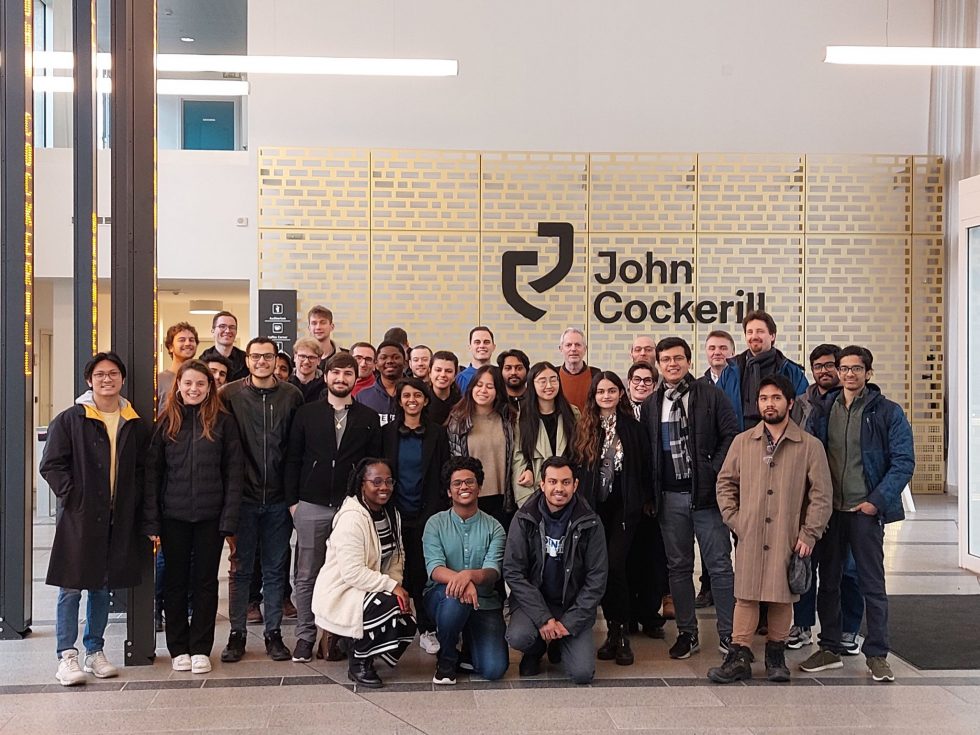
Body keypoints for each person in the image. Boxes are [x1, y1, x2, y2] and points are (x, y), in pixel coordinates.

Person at [801, 346, 915, 683]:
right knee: (829, 582)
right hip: (830, 512)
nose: (849, 374)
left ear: (868, 372)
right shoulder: (823, 410)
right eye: (844, 368)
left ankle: (877, 654)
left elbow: (904, 461)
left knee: (871, 584)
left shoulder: (887, 412)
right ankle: (830, 647)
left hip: (864, 512)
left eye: (856, 368)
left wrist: (876, 501)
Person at [709, 375, 833, 684]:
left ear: (790, 403)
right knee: (746, 595)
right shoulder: (742, 442)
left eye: (776, 398)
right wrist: (735, 519)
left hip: (788, 534)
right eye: (764, 398)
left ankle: (776, 655)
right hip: (750, 533)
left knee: (781, 596)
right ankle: (738, 656)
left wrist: (809, 533)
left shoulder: (809, 446)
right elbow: (725, 483)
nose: (769, 403)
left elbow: (821, 495)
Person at [41, 352, 151, 686]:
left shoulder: (134, 421)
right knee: (71, 585)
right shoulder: (71, 419)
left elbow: (143, 470)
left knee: (102, 587)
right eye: (100, 374)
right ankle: (66, 655)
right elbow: (51, 465)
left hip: (118, 517)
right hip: (82, 516)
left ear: (122, 379)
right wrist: (74, 495)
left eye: (114, 374)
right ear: (89, 380)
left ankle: (94, 651)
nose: (107, 380)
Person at [641, 337, 739, 659]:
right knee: (679, 568)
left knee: (720, 567)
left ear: (687, 360)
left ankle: (729, 635)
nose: (672, 364)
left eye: (678, 358)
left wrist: (713, 470)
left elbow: (731, 436)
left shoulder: (710, 394)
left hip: (706, 499)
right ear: (658, 364)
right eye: (666, 359)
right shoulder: (653, 404)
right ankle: (687, 633)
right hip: (669, 499)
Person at [144, 360, 243, 675]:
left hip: (210, 517)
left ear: (209, 387)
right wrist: (152, 521)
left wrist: (229, 519)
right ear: (179, 385)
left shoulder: (224, 423)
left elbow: (234, 472)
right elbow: (153, 474)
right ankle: (178, 647)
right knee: (174, 583)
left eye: (200, 384)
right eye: (188, 383)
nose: (194, 389)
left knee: (204, 583)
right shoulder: (165, 422)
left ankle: (201, 647)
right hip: (173, 516)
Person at [284, 352, 383, 663]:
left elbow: (372, 466)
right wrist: (293, 503)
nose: (341, 379)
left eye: (347, 374)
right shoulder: (306, 413)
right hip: (310, 503)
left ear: (356, 379)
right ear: (325, 376)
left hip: (350, 508)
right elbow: (292, 458)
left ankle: (338, 637)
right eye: (335, 373)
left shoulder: (368, 418)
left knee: (348, 573)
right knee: (307, 573)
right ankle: (305, 635)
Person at [220, 337, 304, 664]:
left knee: (275, 568)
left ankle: (273, 634)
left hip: (279, 499)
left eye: (267, 357)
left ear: (275, 360)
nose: (261, 362)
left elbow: (294, 447)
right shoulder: (229, 394)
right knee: (240, 568)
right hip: (242, 497)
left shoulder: (291, 395)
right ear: (248, 360)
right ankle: (236, 634)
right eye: (255, 357)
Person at [311, 459, 417, 688]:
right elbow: (352, 572)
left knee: (406, 616)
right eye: (376, 481)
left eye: (389, 481)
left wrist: (395, 587)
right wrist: (391, 588)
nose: (384, 487)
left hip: (370, 587)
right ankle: (358, 661)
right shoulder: (352, 518)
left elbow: (397, 558)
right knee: (387, 605)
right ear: (361, 484)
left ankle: (362, 644)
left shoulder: (391, 514)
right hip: (343, 590)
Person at [787, 344, 865, 652]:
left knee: (848, 570)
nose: (824, 371)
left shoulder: (853, 404)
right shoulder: (802, 403)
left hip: (847, 502)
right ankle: (802, 625)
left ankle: (848, 629)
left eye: (830, 365)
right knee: (804, 564)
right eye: (817, 366)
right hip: (809, 501)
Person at [503, 458, 608, 685]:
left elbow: (597, 579)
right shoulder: (524, 518)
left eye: (565, 482)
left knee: (582, 674)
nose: (559, 488)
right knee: (518, 636)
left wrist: (568, 623)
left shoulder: (590, 522)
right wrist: (544, 619)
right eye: (552, 481)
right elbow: (513, 571)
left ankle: (561, 640)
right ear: (542, 484)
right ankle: (536, 649)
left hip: (572, 604)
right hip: (534, 603)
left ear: (575, 485)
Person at [571, 371, 651, 666]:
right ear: (593, 395)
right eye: (600, 391)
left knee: (616, 566)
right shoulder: (584, 427)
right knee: (600, 569)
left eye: (611, 390)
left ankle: (623, 633)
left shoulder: (632, 428)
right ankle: (612, 633)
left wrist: (644, 501)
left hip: (624, 509)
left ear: (620, 394)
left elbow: (644, 468)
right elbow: (576, 469)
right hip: (593, 511)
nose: (606, 396)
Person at [423, 456, 509, 685]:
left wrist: (469, 575)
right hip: (442, 599)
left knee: (494, 669)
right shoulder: (435, 524)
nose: (464, 487)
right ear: (449, 491)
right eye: (457, 483)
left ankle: (469, 647)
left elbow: (493, 571)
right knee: (455, 599)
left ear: (479, 487)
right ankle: (448, 657)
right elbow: (434, 568)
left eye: (469, 482)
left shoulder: (495, 527)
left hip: (484, 602)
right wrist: (463, 582)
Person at [382, 377, 451, 657]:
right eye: (406, 395)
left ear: (425, 400)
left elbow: (443, 472)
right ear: (399, 401)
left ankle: (426, 627)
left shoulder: (438, 433)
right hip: (394, 511)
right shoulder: (385, 434)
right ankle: (393, 625)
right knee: (394, 569)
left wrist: (435, 511)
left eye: (417, 395)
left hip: (427, 512)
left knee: (423, 571)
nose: (412, 400)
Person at [447, 365, 516, 529]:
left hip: (503, 498)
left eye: (489, 386)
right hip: (471, 497)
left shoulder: (509, 418)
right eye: (479, 385)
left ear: (498, 391)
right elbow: (454, 461)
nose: (483, 390)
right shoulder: (459, 420)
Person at [717, 310, 807, 431]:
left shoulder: (791, 372)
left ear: (772, 335)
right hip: (739, 443)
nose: (754, 336)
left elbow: (802, 412)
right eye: (749, 332)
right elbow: (717, 409)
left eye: (760, 331)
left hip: (781, 443)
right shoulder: (730, 372)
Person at [513, 362, 578, 510]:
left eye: (554, 380)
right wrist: (526, 473)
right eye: (542, 381)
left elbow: (579, 452)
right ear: (532, 385)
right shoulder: (522, 418)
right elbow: (518, 456)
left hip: (566, 488)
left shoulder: (572, 413)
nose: (549, 385)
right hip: (535, 487)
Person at [355, 340, 405, 425]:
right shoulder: (362, 397)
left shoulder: (414, 394)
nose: (389, 361)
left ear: (405, 362)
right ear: (376, 364)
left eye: (396, 357)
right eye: (383, 357)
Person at [557, 328, 601, 413]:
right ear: (561, 349)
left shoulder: (596, 375)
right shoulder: (554, 375)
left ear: (585, 349)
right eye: (568, 345)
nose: (573, 349)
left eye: (578, 345)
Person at [157, 322, 199, 408]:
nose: (188, 343)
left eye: (191, 340)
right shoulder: (158, 380)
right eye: (182, 340)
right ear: (170, 347)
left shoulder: (202, 379)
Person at [199, 310, 248, 383]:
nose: (227, 331)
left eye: (232, 327)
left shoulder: (246, 360)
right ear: (213, 330)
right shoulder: (203, 361)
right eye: (222, 326)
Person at [456, 326, 496, 392]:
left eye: (486, 342)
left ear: (493, 347)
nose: (482, 346)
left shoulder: (500, 375)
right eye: (477, 342)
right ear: (470, 347)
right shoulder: (460, 378)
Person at [428, 350, 462, 426]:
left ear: (455, 375)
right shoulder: (421, 401)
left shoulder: (461, 404)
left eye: (448, 371)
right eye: (438, 370)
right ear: (430, 372)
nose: (443, 374)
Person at [288, 337, 326, 403]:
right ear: (295, 357)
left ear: (319, 360)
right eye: (302, 356)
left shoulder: (326, 386)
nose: (306, 362)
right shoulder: (285, 383)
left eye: (311, 357)